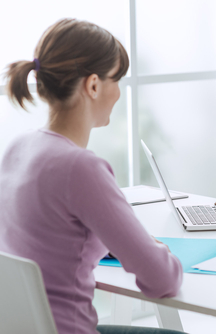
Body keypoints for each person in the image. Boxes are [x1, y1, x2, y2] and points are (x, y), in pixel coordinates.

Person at [0, 19, 185, 334]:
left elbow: (48, 237)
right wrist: (158, 251)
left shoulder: (18, 147)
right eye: (117, 80)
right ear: (94, 85)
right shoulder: (80, 167)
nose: (119, 93)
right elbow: (161, 281)